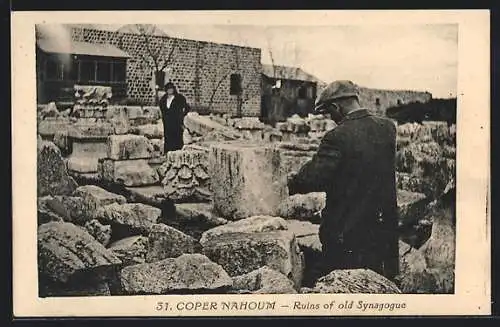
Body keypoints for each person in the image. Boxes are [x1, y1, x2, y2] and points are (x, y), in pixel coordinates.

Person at [287, 80, 399, 281]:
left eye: (330, 113)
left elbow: (314, 178)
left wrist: (291, 182)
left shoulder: (338, 136)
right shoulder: (388, 128)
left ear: (336, 107)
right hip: (383, 232)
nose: (332, 119)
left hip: (347, 234)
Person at [158, 82, 190, 154]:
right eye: (168, 89)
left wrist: (182, 115)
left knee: (177, 138)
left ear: (173, 89)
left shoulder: (179, 98)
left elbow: (187, 107)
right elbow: (162, 108)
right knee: (168, 138)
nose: (170, 90)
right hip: (167, 123)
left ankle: (177, 154)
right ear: (166, 90)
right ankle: (168, 154)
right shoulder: (163, 99)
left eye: (171, 89)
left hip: (177, 122)